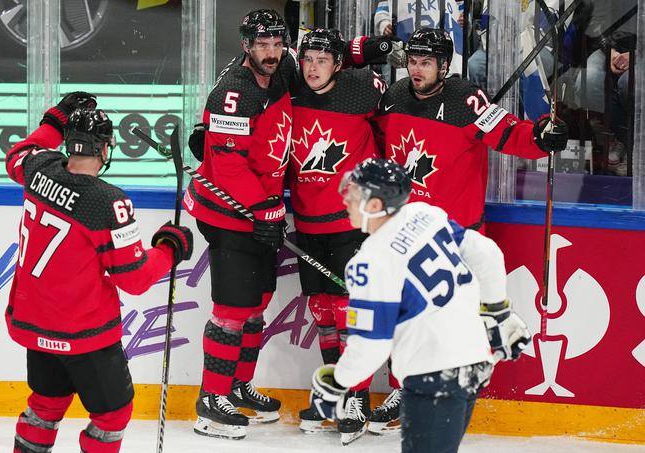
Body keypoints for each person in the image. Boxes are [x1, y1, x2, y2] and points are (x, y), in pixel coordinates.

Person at [182, 9, 402, 440]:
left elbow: (323, 55)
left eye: (276, 44)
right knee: (233, 309)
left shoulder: (283, 63)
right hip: (229, 213)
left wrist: (364, 50)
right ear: (245, 45)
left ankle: (238, 388)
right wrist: (264, 205)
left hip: (261, 213)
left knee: (257, 301)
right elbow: (227, 168)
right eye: (261, 45)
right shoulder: (235, 92)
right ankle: (211, 402)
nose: (270, 52)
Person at [5, 93, 194, 453]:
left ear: (68, 140)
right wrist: (170, 248)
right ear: (106, 149)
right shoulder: (107, 201)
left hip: (35, 323)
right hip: (84, 332)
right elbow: (135, 278)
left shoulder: (38, 169)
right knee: (112, 417)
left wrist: (53, 120)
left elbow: (18, 154)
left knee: (44, 405)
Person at [309, 158, 531, 453]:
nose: (345, 197)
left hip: (434, 375)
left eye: (354, 191)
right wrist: (498, 312)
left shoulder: (369, 262)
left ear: (374, 205)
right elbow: (486, 252)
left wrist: (338, 382)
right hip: (475, 361)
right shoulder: (424, 214)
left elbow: (372, 344)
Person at [288, 28, 389, 444]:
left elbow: (395, 124)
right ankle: (336, 389)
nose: (313, 68)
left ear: (339, 65)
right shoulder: (289, 90)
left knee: (352, 312)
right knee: (323, 312)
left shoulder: (361, 90)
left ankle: (357, 397)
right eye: (308, 59)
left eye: (323, 60)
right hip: (307, 221)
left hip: (351, 225)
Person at [376, 28, 568, 232]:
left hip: (458, 233)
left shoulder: (466, 101)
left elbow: (508, 134)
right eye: (412, 61)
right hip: (405, 229)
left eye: (425, 63)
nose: (416, 70)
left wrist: (539, 137)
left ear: (443, 66)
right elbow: (377, 143)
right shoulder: (394, 97)